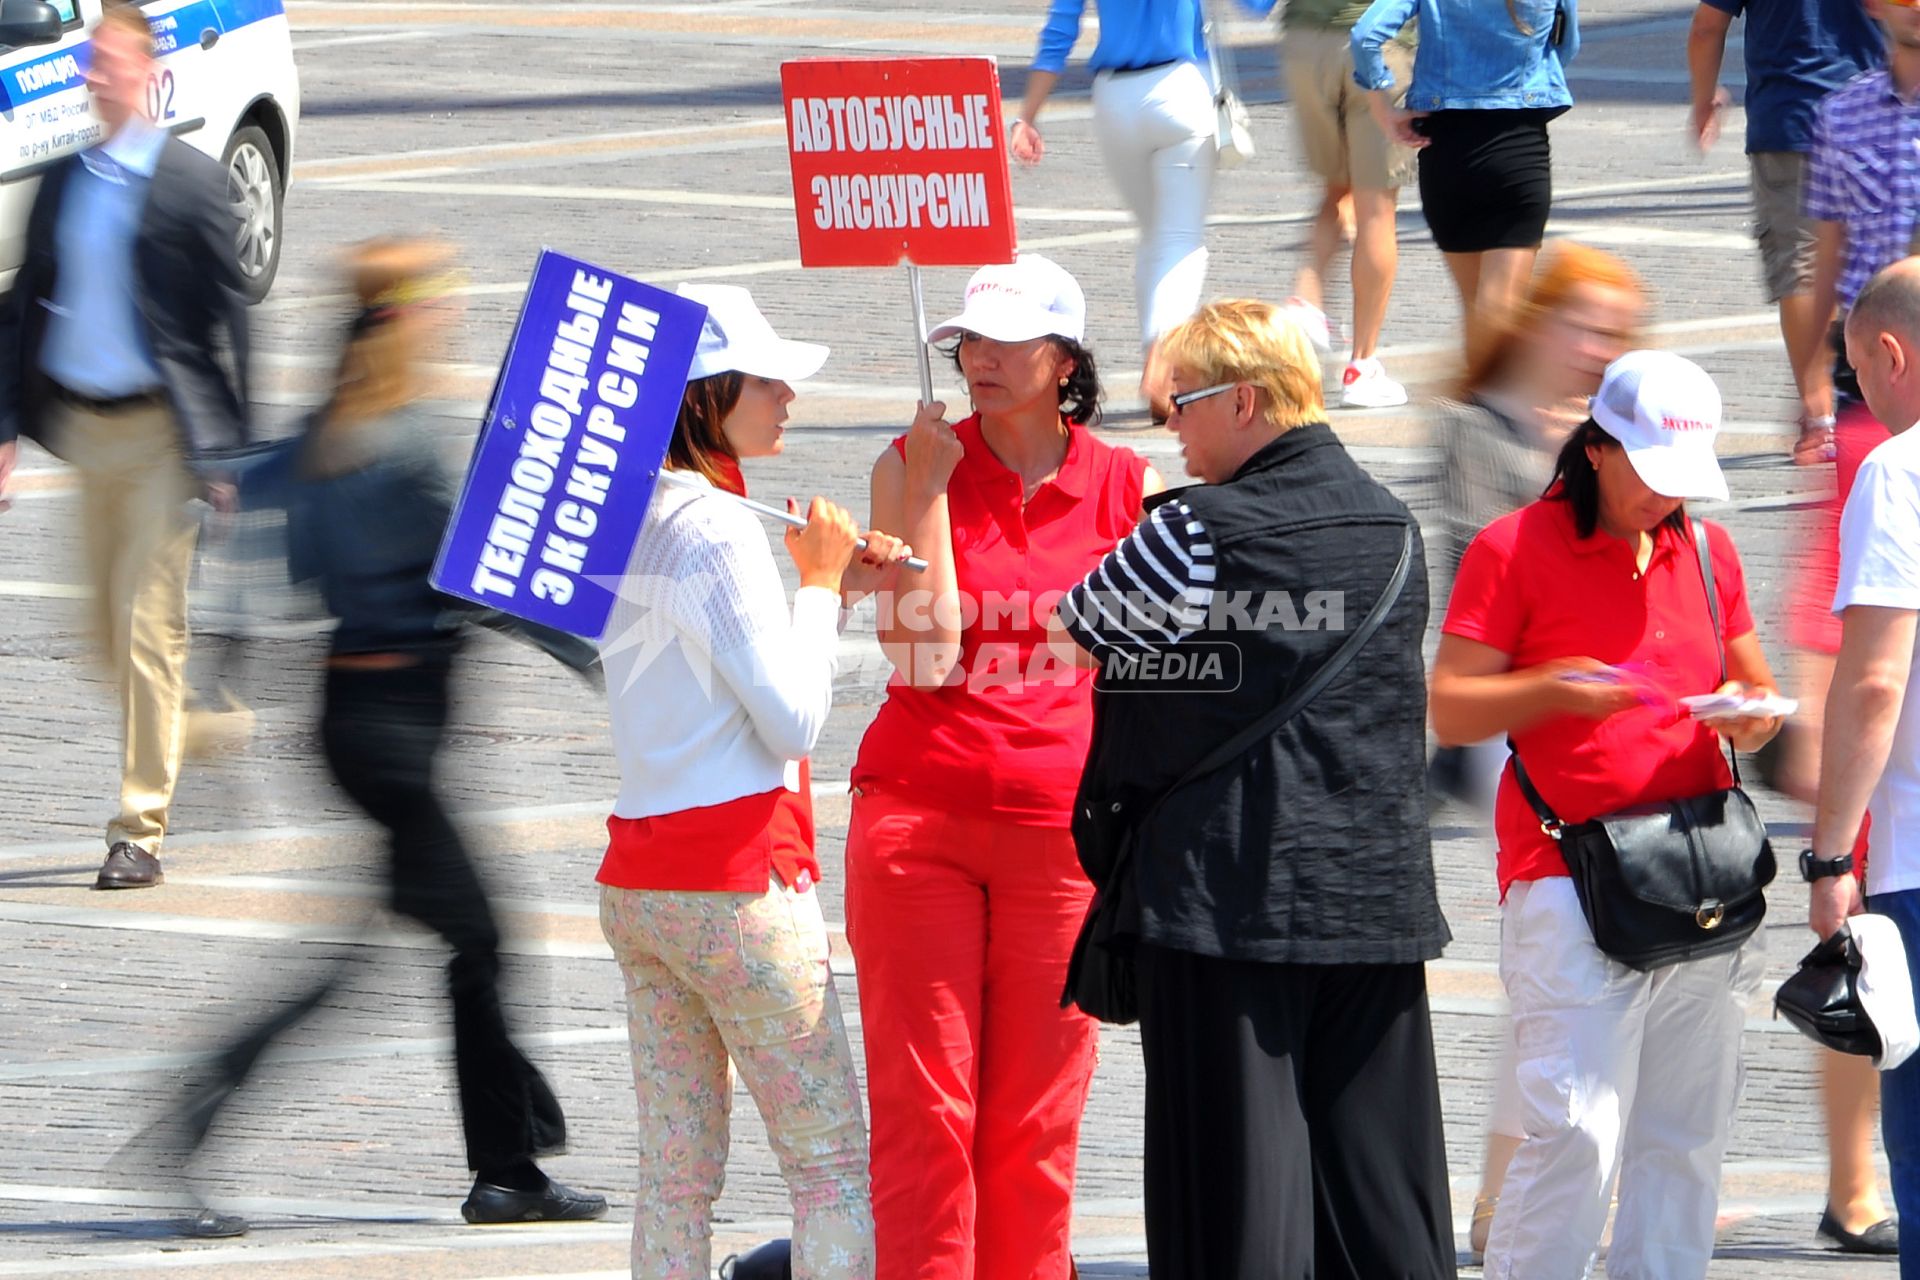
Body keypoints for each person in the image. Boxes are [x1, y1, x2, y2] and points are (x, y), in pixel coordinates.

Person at [177, 239, 608, 1227]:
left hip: (353, 721)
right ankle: (507, 1166)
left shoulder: (324, 432)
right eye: (441, 301)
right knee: (480, 939)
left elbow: (238, 509)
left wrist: (219, 673)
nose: (450, 315)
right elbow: (484, 578)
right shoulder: (403, 441)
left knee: (401, 951)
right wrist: (594, 658)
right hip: (395, 735)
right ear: (407, 317)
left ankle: (511, 1151)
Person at [1043, 298, 1453, 1278]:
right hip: (1374, 893)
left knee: (1234, 1192)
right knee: (1379, 1187)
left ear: (1246, 401)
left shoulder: (1195, 529)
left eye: (1179, 404)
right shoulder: (1393, 525)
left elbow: (1073, 630)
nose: (1170, 428)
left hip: (1224, 896)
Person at [1431, 349, 1784, 1279]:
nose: (1666, 500)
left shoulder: (1708, 552)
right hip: (1566, 870)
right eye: (1650, 477)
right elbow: (1452, 707)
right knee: (1577, 1129)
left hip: (1697, 872)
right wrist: (1551, 690)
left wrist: (1752, 712)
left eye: (1682, 483)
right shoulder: (1514, 547)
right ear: (1597, 448)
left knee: (1683, 1136)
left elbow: (1754, 684)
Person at [848, 252, 1161, 1280]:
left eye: (1004, 339)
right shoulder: (909, 463)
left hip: (1060, 835)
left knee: (1038, 1111)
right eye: (968, 340)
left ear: (1064, 360)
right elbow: (922, 656)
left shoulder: (1129, 485)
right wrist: (931, 489)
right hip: (917, 822)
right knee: (923, 1103)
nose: (979, 357)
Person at [596, 284, 910, 1279]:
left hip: (642, 878)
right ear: (704, 395)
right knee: (829, 1165)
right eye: (765, 378)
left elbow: (726, 682)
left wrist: (831, 595)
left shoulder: (631, 509)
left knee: (676, 1172)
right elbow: (791, 718)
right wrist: (819, 584)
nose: (788, 394)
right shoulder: (718, 527)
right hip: (734, 881)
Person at [0, 0, 251, 890]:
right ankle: (199, 726)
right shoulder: (66, 179)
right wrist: (4, 432)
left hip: (160, 440)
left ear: (146, 72)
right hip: (84, 436)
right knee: (103, 640)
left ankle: (137, 830)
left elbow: (231, 323)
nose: (93, 76)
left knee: (148, 632)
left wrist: (231, 455)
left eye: (108, 62)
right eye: (88, 63)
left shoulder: (187, 181)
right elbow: (21, 304)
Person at [1429, 240, 1644, 1255]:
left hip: (1609, 717)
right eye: (1586, 325)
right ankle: (1518, 1188)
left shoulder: (1611, 426)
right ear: (1539, 321)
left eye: (1618, 333)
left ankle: (1519, 1181)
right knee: (1557, 965)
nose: (1602, 347)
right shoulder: (1481, 430)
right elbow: (1493, 560)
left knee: (1565, 972)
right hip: (1516, 724)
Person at [1809, 255, 1920, 1280]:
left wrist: (1828, 855)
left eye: (1860, 376)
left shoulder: (1898, 470)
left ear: (1892, 353)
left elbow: (1875, 681)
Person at [1685, 0, 1882, 464]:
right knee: (1877, 266)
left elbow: (1706, 27)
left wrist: (1702, 101)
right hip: (1874, 115)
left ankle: (1820, 419)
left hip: (1789, 117)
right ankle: (1884, 401)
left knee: (1801, 265)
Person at [1012, 0, 1214, 415]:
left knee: (1156, 236)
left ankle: (1158, 365)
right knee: (1179, 240)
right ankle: (1160, 370)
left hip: (1116, 100)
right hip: (1182, 87)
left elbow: (1060, 28)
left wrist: (1028, 115)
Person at [1351, 0, 1579, 363]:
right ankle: (1488, 409)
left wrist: (1383, 109)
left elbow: (1364, 36)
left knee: (1478, 311)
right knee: (1500, 311)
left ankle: (1477, 406)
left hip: (1446, 149)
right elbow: (1567, 44)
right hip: (1517, 145)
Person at [1240, 0, 1418, 407]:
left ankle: (1306, 296)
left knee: (1337, 188)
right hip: (1378, 39)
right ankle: (1362, 365)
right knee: (1376, 207)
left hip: (1306, 43)